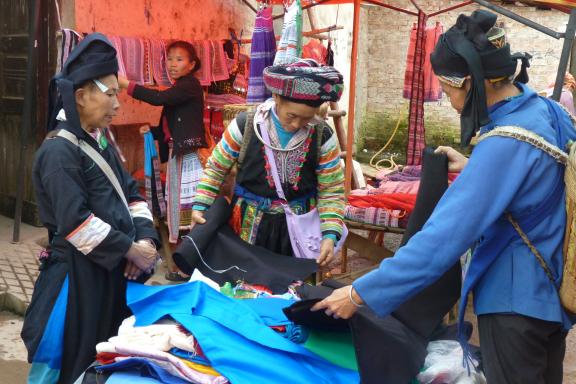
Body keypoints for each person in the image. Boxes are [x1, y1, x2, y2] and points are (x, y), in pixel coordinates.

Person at [313, 10, 575, 384]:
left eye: (448, 89)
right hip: (552, 293)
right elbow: (539, 179)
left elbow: (441, 240)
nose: (451, 102)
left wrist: (359, 293)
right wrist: (473, 167)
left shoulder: (502, 143)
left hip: (514, 303)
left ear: (469, 81)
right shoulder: (546, 110)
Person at [21, 33, 160, 384]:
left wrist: (145, 242)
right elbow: (75, 222)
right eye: (110, 94)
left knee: (103, 357)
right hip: (75, 283)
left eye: (117, 94)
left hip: (106, 273)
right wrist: (128, 249)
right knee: (70, 361)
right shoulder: (59, 152)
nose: (117, 104)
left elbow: (133, 195)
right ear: (81, 96)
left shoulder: (99, 141)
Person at [191, 59, 345, 267]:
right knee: (246, 286)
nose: (297, 124)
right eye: (292, 116)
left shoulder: (322, 135)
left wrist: (330, 233)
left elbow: (331, 189)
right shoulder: (245, 125)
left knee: (295, 291)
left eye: (306, 119)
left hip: (298, 230)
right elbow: (216, 168)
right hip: (246, 226)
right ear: (276, 97)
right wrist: (201, 206)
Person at [118, 40, 208, 281]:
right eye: (170, 59)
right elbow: (167, 130)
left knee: (187, 211)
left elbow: (157, 99)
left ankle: (189, 264)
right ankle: (182, 264)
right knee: (179, 210)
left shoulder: (189, 86)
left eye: (179, 59)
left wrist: (126, 84)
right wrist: (152, 132)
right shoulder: (178, 91)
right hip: (177, 155)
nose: (173, 64)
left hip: (187, 157)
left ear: (191, 65)